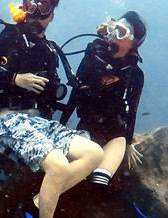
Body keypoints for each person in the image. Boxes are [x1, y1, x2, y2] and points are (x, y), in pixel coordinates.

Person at [0, 0, 104, 218]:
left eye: (45, 5)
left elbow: (52, 95)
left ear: (52, 14)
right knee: (56, 166)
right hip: (13, 119)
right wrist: (15, 78)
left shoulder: (51, 49)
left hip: (42, 122)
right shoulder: (10, 35)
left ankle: (41, 201)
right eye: (33, 2)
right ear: (23, 4)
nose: (37, 9)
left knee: (94, 154)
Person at [61, 11, 148, 190]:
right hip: (87, 126)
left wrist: (129, 142)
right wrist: (61, 127)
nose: (113, 35)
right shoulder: (93, 57)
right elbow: (75, 92)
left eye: (121, 32)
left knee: (99, 183)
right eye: (113, 29)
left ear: (134, 43)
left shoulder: (135, 74)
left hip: (115, 134)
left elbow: (133, 110)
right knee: (72, 176)